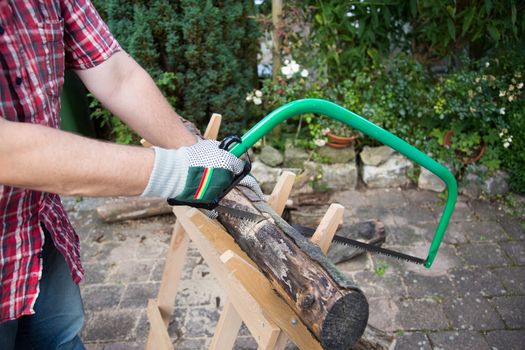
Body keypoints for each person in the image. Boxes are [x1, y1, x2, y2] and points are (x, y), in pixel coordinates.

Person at [0, 1, 262, 348]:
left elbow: (117, 76)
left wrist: (198, 154)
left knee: (60, 340)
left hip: (36, 226)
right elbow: (9, 152)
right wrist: (183, 174)